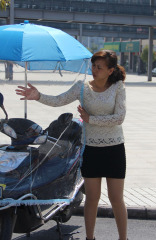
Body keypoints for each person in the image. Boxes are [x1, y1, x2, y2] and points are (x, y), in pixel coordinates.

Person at [15, 50, 128, 240]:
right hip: (91, 149)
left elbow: (119, 118)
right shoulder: (82, 88)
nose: (94, 70)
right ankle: (89, 238)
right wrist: (38, 95)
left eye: (99, 67)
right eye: (93, 66)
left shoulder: (118, 87)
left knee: (116, 199)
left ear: (110, 70)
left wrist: (90, 119)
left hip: (114, 148)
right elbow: (59, 100)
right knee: (92, 198)